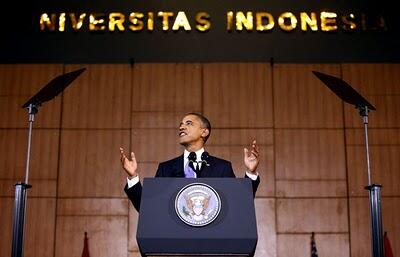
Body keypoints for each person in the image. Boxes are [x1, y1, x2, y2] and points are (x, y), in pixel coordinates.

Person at [120, 112, 260, 211]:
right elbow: (148, 209)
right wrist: (132, 176)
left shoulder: (222, 167)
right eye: (181, 124)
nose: (181, 127)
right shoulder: (166, 168)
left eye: (189, 123)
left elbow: (238, 204)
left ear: (204, 132)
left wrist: (251, 172)